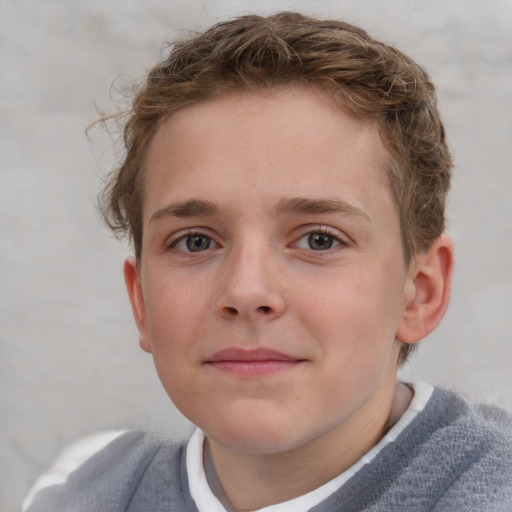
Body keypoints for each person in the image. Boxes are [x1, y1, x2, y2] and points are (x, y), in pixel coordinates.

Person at [24, 11, 512, 512]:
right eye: (195, 242)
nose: (246, 291)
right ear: (141, 301)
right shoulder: (81, 494)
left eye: (319, 240)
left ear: (421, 291)